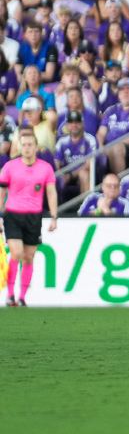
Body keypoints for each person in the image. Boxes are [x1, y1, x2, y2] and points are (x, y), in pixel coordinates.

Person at [0, 131, 58, 307]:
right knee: (16, 253)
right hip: (13, 214)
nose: (26, 148)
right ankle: (10, 294)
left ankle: (22, 297)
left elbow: (50, 192)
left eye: (30, 145)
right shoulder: (10, 167)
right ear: (19, 146)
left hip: (34, 216)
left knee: (29, 257)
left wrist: (54, 216)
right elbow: (2, 191)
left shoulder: (45, 168)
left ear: (36, 147)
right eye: (23, 145)